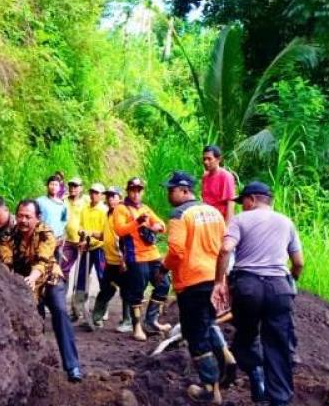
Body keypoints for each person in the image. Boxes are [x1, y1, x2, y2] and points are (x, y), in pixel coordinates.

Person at [212, 182, 304, 406]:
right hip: (278, 288)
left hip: (248, 287)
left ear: (252, 199)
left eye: (242, 201)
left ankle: (256, 378)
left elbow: (225, 249)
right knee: (278, 345)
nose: (241, 206)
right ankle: (279, 400)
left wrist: (218, 282)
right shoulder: (286, 222)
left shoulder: (240, 220)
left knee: (247, 335)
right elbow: (299, 262)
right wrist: (290, 281)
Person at [158, 171, 226, 404]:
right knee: (208, 325)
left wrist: (162, 269)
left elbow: (176, 251)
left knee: (195, 335)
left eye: (171, 190)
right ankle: (227, 362)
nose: (168, 194)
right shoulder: (214, 212)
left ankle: (209, 388)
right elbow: (225, 246)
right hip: (214, 280)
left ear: (184, 190)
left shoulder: (179, 214)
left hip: (192, 282)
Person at [0, 200, 82, 382]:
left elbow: (43, 260)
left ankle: (73, 367)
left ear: (37, 218)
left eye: (28, 217)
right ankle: (37, 369)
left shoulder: (46, 233)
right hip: (25, 285)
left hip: (49, 279)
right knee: (33, 323)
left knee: (60, 312)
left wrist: (33, 276)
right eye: (20, 216)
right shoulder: (9, 236)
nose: (23, 220)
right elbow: (6, 262)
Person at [113, 177, 170, 339]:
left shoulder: (145, 208)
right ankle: (136, 326)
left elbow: (162, 226)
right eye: (133, 190)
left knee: (164, 284)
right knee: (137, 291)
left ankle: (151, 320)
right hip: (135, 256)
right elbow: (120, 230)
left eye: (139, 190)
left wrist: (152, 226)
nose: (136, 194)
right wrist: (137, 222)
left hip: (153, 254)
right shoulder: (121, 209)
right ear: (128, 191)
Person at [89, 186, 134, 332]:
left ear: (119, 197)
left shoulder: (123, 214)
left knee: (127, 291)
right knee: (106, 289)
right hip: (110, 261)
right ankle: (96, 318)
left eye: (113, 196)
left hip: (122, 262)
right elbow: (104, 235)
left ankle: (128, 321)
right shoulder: (108, 214)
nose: (110, 199)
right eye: (108, 196)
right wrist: (90, 234)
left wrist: (124, 260)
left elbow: (127, 238)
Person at [71, 183, 107, 322]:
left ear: (101, 195)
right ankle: (78, 309)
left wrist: (89, 241)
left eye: (97, 193)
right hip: (86, 248)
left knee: (102, 278)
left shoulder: (104, 210)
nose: (94, 195)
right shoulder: (85, 209)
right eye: (92, 192)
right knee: (81, 277)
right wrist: (80, 232)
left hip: (98, 248)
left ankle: (102, 309)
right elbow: (80, 225)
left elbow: (103, 233)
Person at [61, 177, 88, 290]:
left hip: (83, 241)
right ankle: (62, 295)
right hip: (68, 240)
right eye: (71, 186)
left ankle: (79, 300)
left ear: (81, 188)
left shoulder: (87, 201)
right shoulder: (64, 200)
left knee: (83, 271)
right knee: (63, 268)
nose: (73, 188)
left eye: (75, 186)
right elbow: (62, 219)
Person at [201, 145, 236, 224]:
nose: (206, 162)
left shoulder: (226, 176)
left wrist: (227, 227)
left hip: (221, 220)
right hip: (208, 220)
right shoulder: (205, 177)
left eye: (209, 159)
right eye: (204, 159)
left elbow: (231, 202)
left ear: (218, 159)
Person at [37, 175, 68, 253]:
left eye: (56, 185)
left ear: (59, 188)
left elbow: (64, 221)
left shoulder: (62, 205)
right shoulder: (39, 201)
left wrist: (60, 236)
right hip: (42, 239)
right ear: (47, 186)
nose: (53, 187)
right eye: (51, 184)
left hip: (57, 240)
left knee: (55, 263)